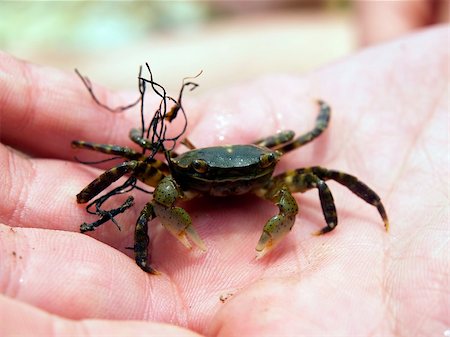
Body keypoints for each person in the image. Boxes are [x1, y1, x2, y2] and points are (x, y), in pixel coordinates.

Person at [0, 25, 447, 336]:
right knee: (134, 175)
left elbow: (321, 164)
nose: (227, 185)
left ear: (268, 160)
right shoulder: (177, 174)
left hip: (251, 177)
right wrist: (89, 197)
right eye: (214, 177)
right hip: (187, 180)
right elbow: (129, 157)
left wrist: (327, 218)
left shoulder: (275, 173)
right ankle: (136, 248)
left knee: (327, 177)